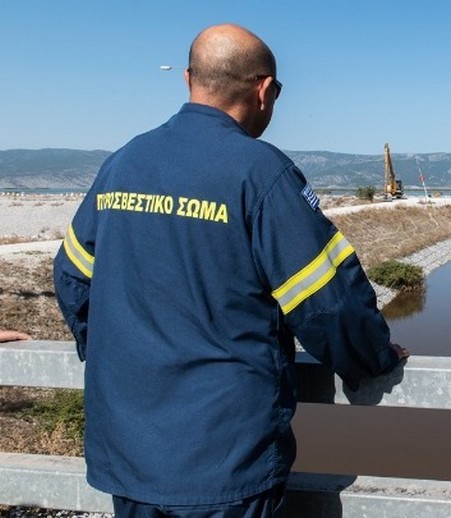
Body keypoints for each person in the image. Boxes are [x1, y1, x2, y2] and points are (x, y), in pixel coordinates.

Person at [53, 23, 408, 517]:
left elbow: (72, 275)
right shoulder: (260, 174)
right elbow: (328, 303)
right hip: (224, 457)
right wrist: (373, 359)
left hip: (130, 451)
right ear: (264, 90)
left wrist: (116, 354)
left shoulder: (123, 163)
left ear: (187, 80)